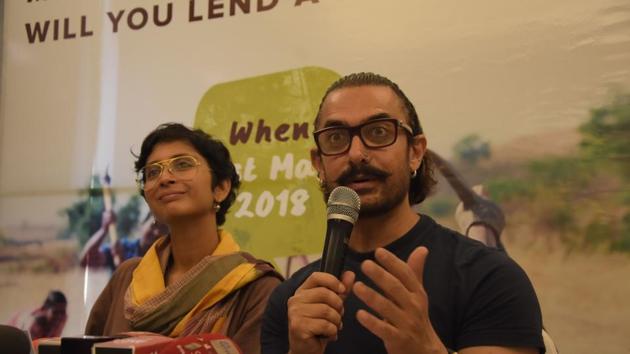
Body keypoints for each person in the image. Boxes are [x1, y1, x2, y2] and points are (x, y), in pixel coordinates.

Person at [261, 73, 544, 354]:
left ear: (416, 153)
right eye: (336, 137)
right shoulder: (291, 301)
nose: (356, 153)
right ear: (318, 164)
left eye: (379, 132)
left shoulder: (489, 277)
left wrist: (428, 350)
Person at [85, 123, 283, 353]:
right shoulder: (126, 279)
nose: (165, 178)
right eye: (153, 172)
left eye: (182, 164)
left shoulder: (256, 289)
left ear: (220, 187)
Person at [79, 210, 167, 272]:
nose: (157, 232)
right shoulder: (123, 248)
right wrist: (104, 229)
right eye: (154, 225)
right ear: (142, 225)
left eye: (164, 229)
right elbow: (86, 261)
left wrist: (122, 263)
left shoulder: (166, 259)